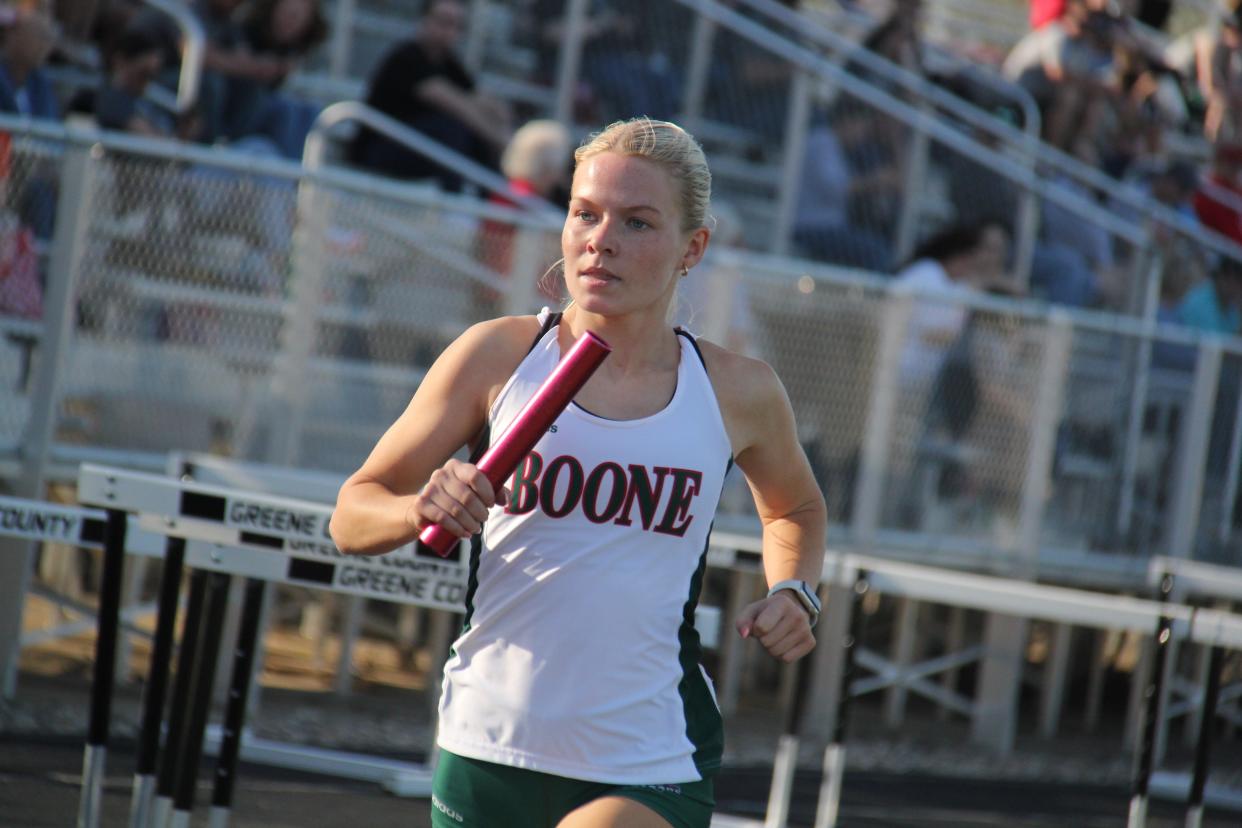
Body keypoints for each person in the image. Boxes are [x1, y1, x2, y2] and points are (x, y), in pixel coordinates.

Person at [330, 117, 826, 827]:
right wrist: (420, 509)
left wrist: (796, 591)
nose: (601, 239)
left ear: (694, 248)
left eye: (638, 222)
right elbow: (352, 513)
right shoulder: (497, 357)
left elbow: (796, 510)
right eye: (585, 214)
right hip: (489, 744)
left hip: (649, 755)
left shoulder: (735, 389)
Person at [349, 0, 511, 192]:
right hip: (378, 151)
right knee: (453, 130)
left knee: (472, 138)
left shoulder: (449, 63)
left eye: (456, 25)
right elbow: (452, 102)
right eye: (443, 21)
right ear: (425, 20)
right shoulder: (407, 57)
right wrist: (501, 140)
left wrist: (502, 123)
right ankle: (452, 203)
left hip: (413, 148)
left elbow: (480, 99)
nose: (448, 31)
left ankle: (495, 206)